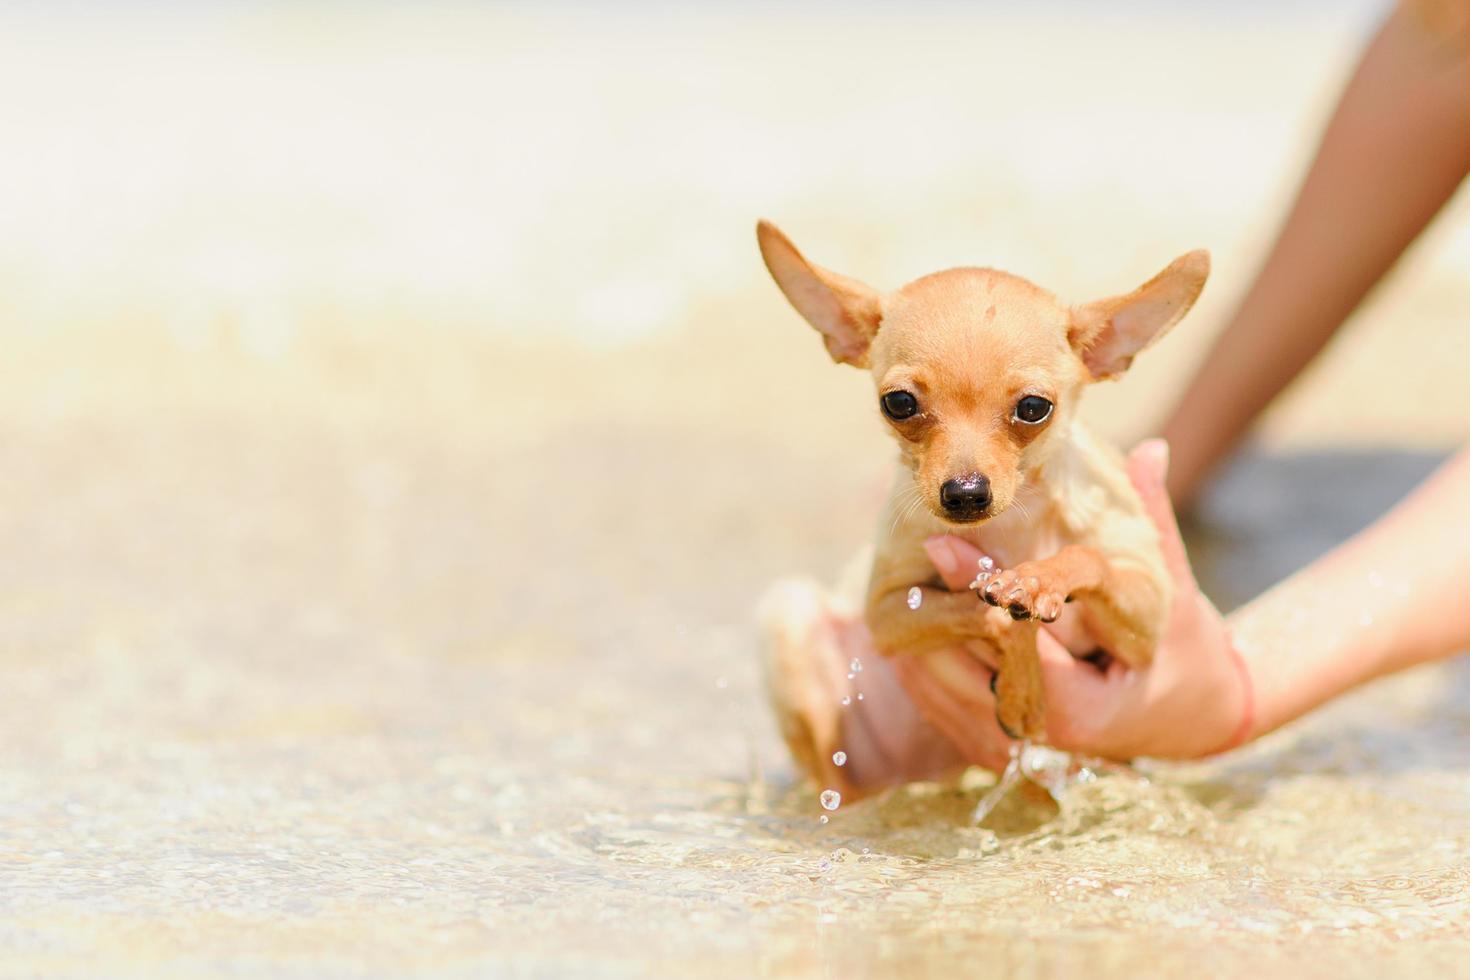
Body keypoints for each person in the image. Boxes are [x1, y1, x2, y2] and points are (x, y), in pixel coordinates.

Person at [761, 1, 1470, 797]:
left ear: (1107, 352)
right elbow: (1442, 36)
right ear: (846, 336)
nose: (962, 474)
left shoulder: (1082, 465)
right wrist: (1178, 460)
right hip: (892, 725)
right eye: (907, 410)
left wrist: (1241, 691)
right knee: (787, 620)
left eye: (1025, 413)